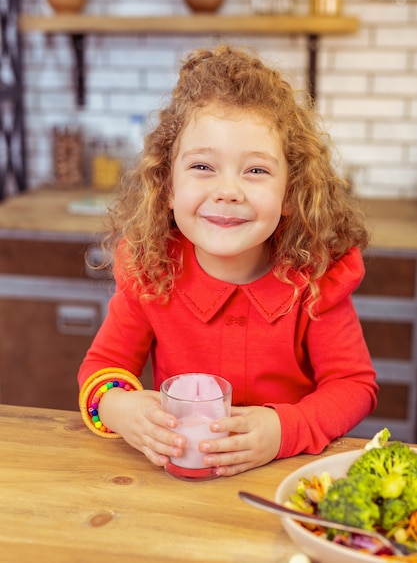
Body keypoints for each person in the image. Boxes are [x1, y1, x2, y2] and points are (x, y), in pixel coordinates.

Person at [78, 44, 378, 477]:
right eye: (203, 167)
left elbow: (354, 386)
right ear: (167, 186)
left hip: (284, 476)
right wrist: (118, 406)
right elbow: (101, 370)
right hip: (178, 484)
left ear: (290, 194)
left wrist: (284, 429)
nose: (228, 191)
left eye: (256, 171)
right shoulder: (151, 270)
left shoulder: (314, 277)